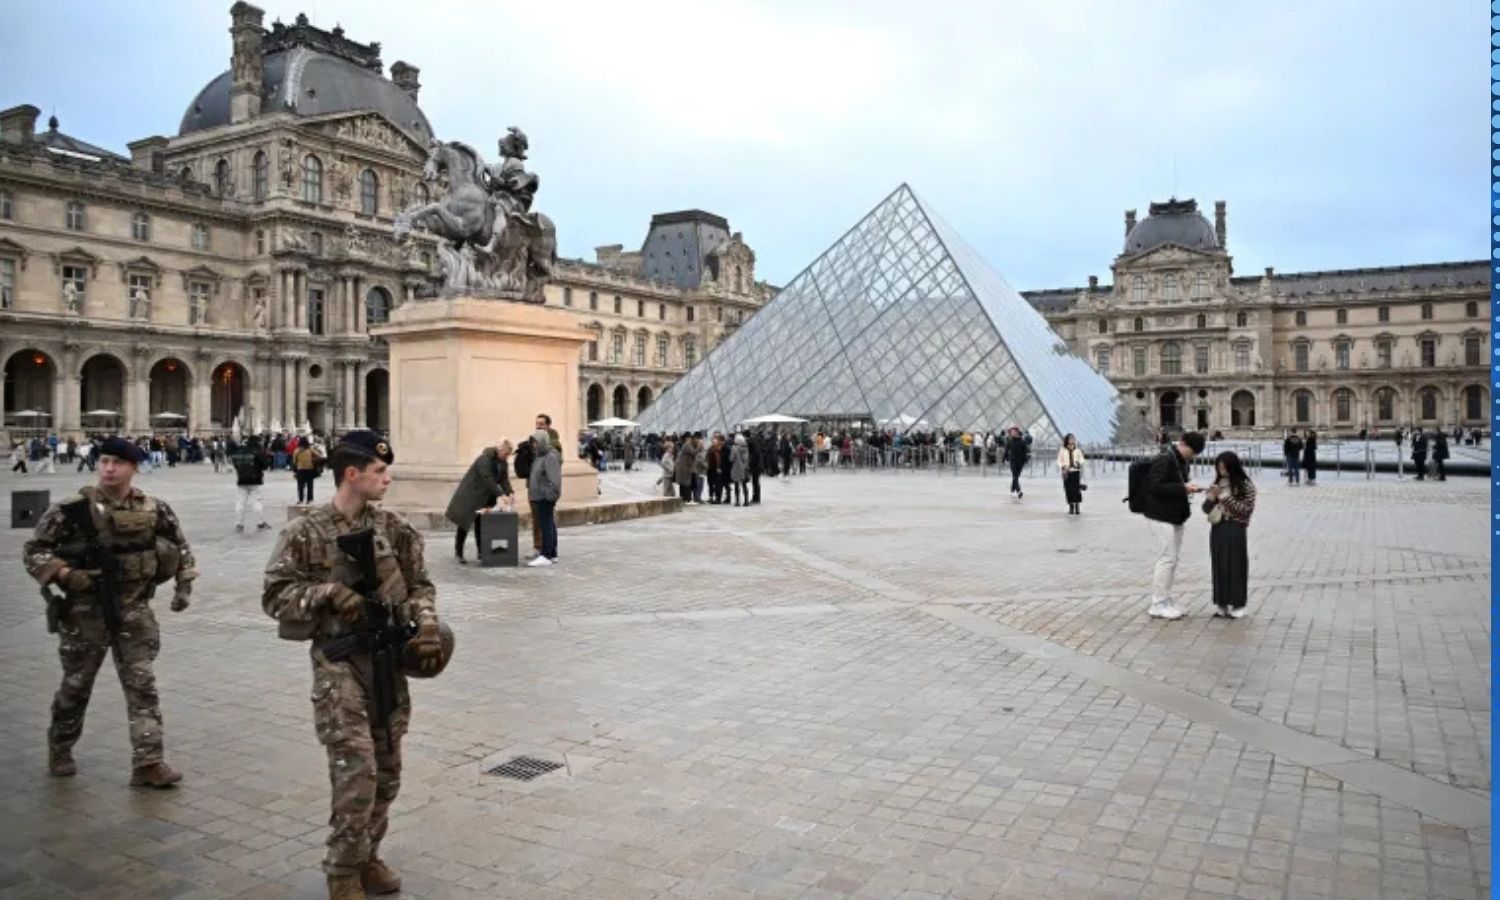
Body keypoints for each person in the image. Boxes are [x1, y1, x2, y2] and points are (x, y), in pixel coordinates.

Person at [262, 431, 446, 900]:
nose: (387, 479)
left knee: (388, 769)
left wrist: (425, 624)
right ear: (352, 474)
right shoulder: (305, 533)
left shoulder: (395, 529)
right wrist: (324, 592)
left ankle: (368, 853)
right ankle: (342, 870)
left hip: (388, 663)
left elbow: (421, 585)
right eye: (379, 472)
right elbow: (274, 597)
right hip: (338, 663)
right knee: (356, 767)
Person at [23, 436, 197, 785]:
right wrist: (66, 574)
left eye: (117, 463)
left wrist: (184, 586)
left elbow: (180, 547)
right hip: (85, 613)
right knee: (76, 686)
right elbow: (34, 551)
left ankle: (148, 763)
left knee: (142, 686)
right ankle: (60, 747)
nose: (108, 468)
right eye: (104, 461)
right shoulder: (73, 509)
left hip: (133, 610)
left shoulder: (153, 507)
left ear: (133, 467)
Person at [1139, 431, 1206, 621]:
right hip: (1160, 515)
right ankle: (1157, 603)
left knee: (1173, 559)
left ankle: (1166, 599)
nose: (1192, 457)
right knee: (1167, 558)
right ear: (1183, 444)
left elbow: (1176, 483)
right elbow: (1155, 486)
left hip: (1174, 515)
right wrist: (1183, 488)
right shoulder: (1164, 458)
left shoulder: (1179, 460)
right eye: (1192, 452)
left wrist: (1187, 486)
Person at [1204, 450, 1256, 619]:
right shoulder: (1217, 482)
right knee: (1219, 564)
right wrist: (1210, 499)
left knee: (1236, 565)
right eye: (1219, 468)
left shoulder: (1245, 485)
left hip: (1235, 527)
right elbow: (1206, 510)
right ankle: (1221, 603)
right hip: (1218, 527)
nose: (1222, 471)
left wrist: (1224, 497)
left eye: (1225, 468)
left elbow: (1245, 510)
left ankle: (1238, 603)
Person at [446, 440, 514, 563]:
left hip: (486, 497)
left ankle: (482, 552)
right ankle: (459, 553)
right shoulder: (484, 459)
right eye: (506, 454)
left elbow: (504, 479)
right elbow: (488, 479)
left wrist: (510, 492)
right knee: (464, 523)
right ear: (499, 450)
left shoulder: (503, 462)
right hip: (471, 495)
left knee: (481, 524)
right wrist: (501, 494)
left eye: (508, 454)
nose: (507, 457)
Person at [527, 428, 562, 566]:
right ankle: (552, 554)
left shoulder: (550, 457)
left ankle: (546, 554)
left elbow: (554, 479)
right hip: (539, 496)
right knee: (548, 524)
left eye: (536, 442)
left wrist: (549, 495)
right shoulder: (539, 456)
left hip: (544, 497)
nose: (534, 445)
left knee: (546, 525)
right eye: (533, 442)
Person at [230, 438, 273, 532]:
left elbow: (235, 463)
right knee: (256, 502)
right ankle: (260, 523)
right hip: (255, 480)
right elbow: (265, 465)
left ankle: (239, 524)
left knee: (240, 502)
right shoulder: (257, 452)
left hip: (241, 480)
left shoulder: (239, 451)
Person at [1056, 434, 1085, 515]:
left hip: (1075, 471)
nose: (1072, 440)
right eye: (1071, 439)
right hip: (1067, 472)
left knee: (1076, 490)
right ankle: (1071, 506)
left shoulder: (1078, 450)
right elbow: (1059, 460)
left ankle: (1077, 506)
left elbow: (1082, 459)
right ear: (1067, 440)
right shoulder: (1062, 450)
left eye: (1073, 439)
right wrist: (1063, 466)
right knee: (1068, 489)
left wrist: (1078, 463)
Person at [1002, 426, 1029, 499]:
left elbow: (1025, 451)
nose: (1011, 433)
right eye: (1010, 432)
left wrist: (1026, 460)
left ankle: (1012, 489)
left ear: (1017, 432)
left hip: (1021, 461)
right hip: (1013, 460)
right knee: (1015, 475)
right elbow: (1006, 451)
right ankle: (1019, 491)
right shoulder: (1010, 441)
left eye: (1013, 431)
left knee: (1016, 476)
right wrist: (1004, 459)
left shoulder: (1022, 441)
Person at [293, 439, 323, 505]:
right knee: (310, 485)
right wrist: (312, 460)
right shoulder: (310, 449)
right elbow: (320, 456)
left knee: (300, 486)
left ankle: (300, 500)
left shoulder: (296, 451)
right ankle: (309, 500)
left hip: (300, 470)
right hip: (309, 469)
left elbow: (294, 461)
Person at [730, 433, 750, 506]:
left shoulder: (734, 448)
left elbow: (731, 458)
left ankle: (737, 501)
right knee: (744, 485)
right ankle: (746, 501)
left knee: (736, 485)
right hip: (744, 468)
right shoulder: (746, 448)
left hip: (736, 468)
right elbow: (746, 458)